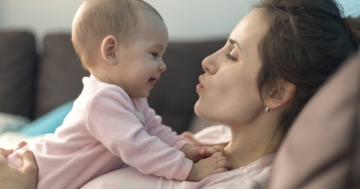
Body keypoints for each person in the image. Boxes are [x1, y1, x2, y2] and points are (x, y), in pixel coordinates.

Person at [2, 0, 360, 188]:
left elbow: (149, 137)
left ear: (277, 91)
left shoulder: (242, 179)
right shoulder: (215, 141)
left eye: (232, 54)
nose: (206, 61)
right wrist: (189, 155)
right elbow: (149, 139)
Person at [5, 0, 230, 188]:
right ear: (112, 52)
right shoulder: (101, 101)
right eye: (154, 54)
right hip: (24, 173)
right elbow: (139, 147)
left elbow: (154, 130)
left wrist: (186, 149)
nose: (163, 66)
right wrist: (190, 170)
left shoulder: (132, 99)